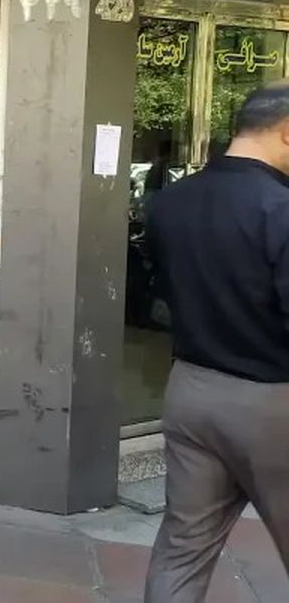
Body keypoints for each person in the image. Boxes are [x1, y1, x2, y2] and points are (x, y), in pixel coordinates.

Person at [144, 84, 289, 601]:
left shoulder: (170, 202)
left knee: (182, 550)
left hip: (191, 390)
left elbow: (162, 291)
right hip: (273, 403)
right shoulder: (281, 207)